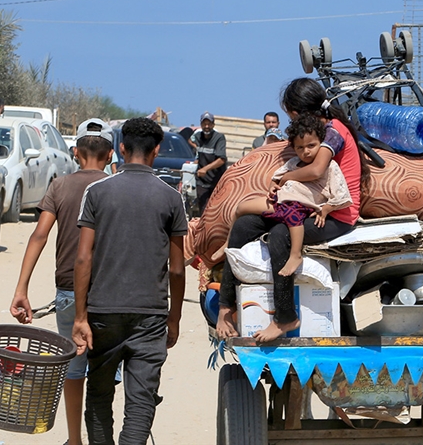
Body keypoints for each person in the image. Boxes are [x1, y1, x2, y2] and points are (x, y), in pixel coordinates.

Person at [216, 77, 368, 340]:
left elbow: (317, 169)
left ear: (301, 112)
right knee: (243, 225)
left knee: (280, 234)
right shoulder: (314, 133)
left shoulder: (332, 132)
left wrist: (285, 179)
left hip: (335, 212)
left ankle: (285, 317)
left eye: (291, 115)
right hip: (307, 204)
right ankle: (225, 306)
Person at [72, 117, 187, 445]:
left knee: (98, 393)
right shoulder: (171, 198)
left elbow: (83, 258)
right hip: (150, 315)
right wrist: (174, 319)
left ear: (121, 149)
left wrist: (80, 317)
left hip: (102, 311)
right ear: (157, 151)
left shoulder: (97, 192)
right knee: (140, 402)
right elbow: (177, 269)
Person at [9, 118, 113, 445]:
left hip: (68, 290)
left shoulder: (59, 187)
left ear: (74, 152)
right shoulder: (115, 187)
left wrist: (21, 289)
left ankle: (74, 439)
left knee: (73, 367)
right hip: (109, 292)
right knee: (104, 370)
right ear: (110, 155)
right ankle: (102, 435)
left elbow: (39, 235)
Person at [189, 112, 227, 215]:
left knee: (215, 210)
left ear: (213, 125)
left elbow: (221, 159)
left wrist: (205, 169)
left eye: (209, 124)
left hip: (216, 181)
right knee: (204, 210)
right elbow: (189, 139)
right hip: (201, 182)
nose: (206, 126)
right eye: (204, 124)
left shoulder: (219, 138)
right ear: (201, 125)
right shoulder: (197, 136)